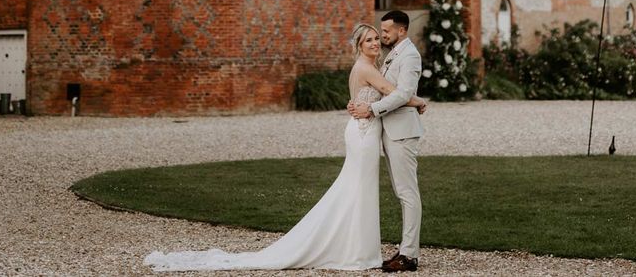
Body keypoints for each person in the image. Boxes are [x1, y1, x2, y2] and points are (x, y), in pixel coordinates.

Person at [144, 22, 426, 272]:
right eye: (369, 40)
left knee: (357, 189)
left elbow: (384, 93)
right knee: (358, 189)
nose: (376, 43)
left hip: (363, 130)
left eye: (377, 38)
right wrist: (419, 101)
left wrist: (374, 104)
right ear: (358, 46)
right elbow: (395, 93)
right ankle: (355, 251)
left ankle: (358, 248)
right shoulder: (366, 67)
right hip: (363, 134)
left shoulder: (372, 65)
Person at [349, 10, 423, 273]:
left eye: (386, 31)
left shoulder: (410, 55)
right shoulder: (393, 54)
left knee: (407, 193)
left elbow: (402, 93)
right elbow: (387, 88)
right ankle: (405, 249)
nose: (382, 36)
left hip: (401, 132)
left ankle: (409, 255)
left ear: (401, 31)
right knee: (401, 193)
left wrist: (372, 109)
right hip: (389, 130)